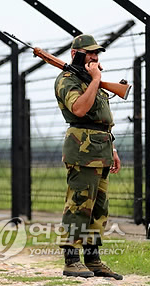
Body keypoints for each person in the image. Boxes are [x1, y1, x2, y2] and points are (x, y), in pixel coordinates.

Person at [54, 34, 123, 280]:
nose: (95, 57)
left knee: (98, 209)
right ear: (76, 54)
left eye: (97, 53)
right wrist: (95, 80)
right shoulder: (67, 80)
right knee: (79, 205)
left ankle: (93, 259)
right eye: (90, 53)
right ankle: (71, 260)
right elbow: (80, 109)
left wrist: (112, 150)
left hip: (101, 149)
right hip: (82, 151)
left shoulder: (90, 79)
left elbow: (102, 120)